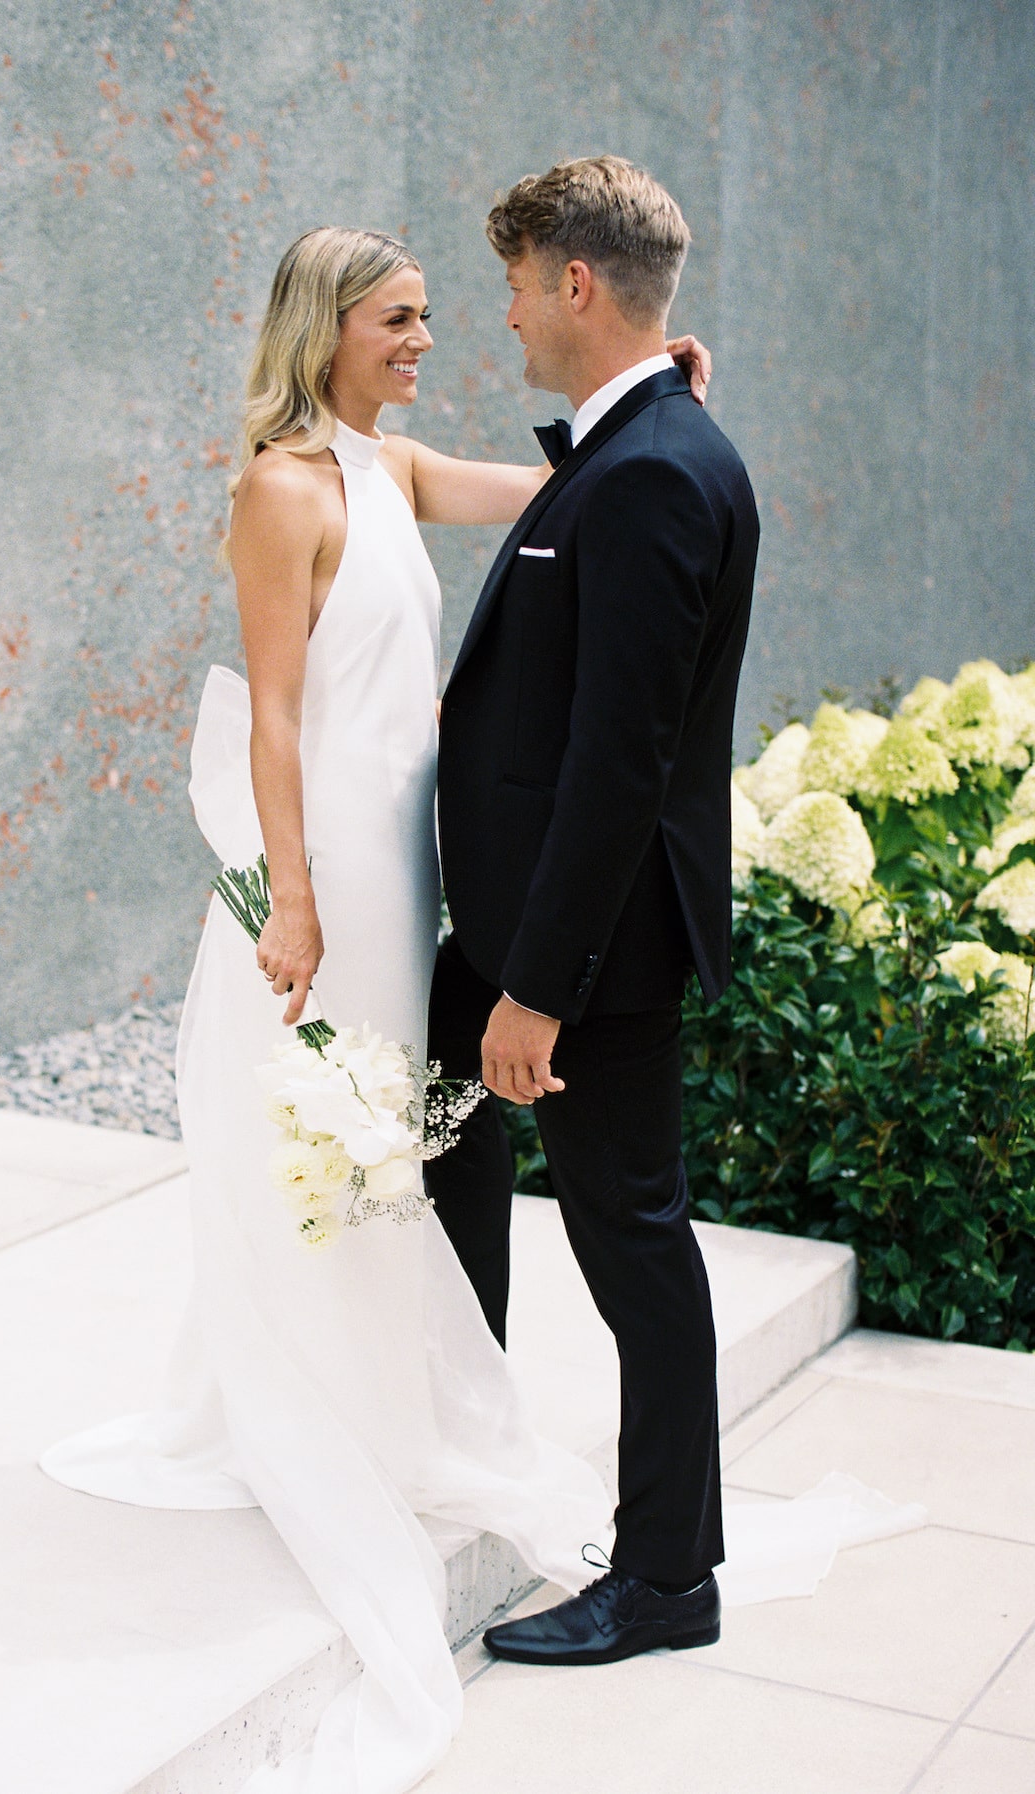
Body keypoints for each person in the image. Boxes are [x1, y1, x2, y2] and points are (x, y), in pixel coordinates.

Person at [40, 224, 711, 1793]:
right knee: (325, 1138)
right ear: (329, 327)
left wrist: (657, 391)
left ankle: (382, 1404)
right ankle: (314, 1413)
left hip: (409, 871)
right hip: (330, 863)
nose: (426, 338)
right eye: (401, 319)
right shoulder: (281, 487)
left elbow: (567, 487)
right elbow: (272, 706)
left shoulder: (391, 468)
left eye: (428, 316)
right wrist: (292, 890)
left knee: (387, 1145)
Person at [428, 155, 761, 1666]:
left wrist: (539, 988)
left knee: (635, 1245)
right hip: (525, 937)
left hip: (592, 959)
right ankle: (456, 1432)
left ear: (577, 283)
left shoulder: (651, 480)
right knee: (445, 1146)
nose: (497, 318)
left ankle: (668, 1577)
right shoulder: (642, 447)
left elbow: (621, 762)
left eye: (511, 286)